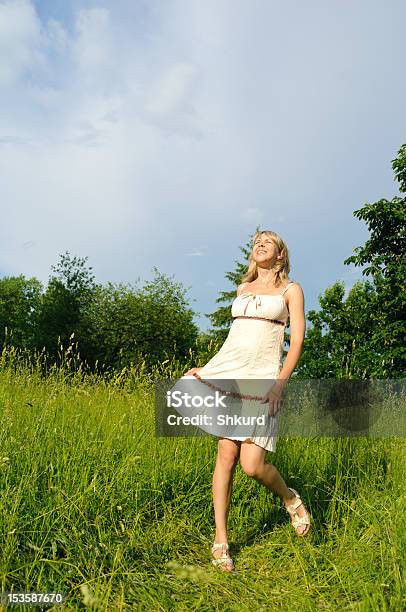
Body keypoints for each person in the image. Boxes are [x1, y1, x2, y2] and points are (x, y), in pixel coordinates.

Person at [184, 230, 311, 572]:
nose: (260, 244)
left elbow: (296, 340)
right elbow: (235, 340)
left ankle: (290, 498)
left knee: (252, 465)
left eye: (268, 241)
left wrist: (280, 384)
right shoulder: (242, 290)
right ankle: (221, 539)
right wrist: (209, 369)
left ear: (280, 254)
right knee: (226, 452)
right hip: (232, 372)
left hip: (263, 377)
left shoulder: (290, 290)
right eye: (257, 241)